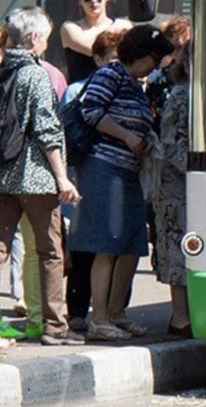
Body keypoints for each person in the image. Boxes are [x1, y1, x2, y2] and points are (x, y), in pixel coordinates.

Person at [68, 24, 175, 341]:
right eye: (154, 59)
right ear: (139, 53)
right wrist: (128, 136)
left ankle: (116, 313)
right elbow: (91, 111)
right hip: (103, 168)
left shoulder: (134, 83)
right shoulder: (111, 74)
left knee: (131, 243)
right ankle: (99, 317)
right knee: (107, 243)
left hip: (128, 170)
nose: (155, 66)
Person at [0, 6, 83, 346]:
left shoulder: (3, 71)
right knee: (50, 252)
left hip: (3, 177)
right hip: (35, 178)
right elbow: (47, 131)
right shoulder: (35, 75)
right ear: (34, 39)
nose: (46, 45)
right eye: (46, 39)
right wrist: (62, 177)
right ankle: (54, 326)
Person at [60, 28, 123, 332]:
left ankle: (109, 311)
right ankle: (77, 310)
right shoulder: (76, 90)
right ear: (97, 60)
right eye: (111, 59)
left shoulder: (126, 88)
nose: (116, 65)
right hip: (84, 171)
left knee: (109, 245)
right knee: (84, 243)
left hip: (113, 174)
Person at [154, 39, 191, 337]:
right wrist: (196, 168)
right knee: (178, 248)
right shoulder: (180, 94)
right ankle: (180, 318)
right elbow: (170, 141)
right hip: (177, 185)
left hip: (193, 180)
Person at [60, 0, 132, 84]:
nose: (93, 0)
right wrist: (115, 31)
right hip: (83, 97)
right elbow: (95, 49)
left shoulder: (124, 25)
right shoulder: (70, 28)